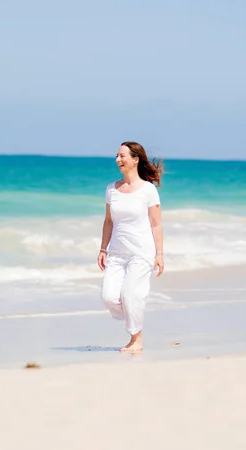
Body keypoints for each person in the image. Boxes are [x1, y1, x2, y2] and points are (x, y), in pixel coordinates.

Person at [97, 141, 164, 353]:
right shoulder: (111, 189)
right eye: (116, 155)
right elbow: (108, 221)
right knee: (108, 297)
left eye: (122, 156)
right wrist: (103, 249)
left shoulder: (148, 190)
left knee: (130, 295)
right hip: (117, 252)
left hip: (141, 252)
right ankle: (134, 311)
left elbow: (156, 224)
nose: (118, 160)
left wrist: (160, 254)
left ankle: (136, 340)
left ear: (135, 159)